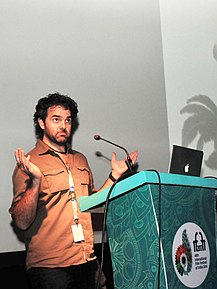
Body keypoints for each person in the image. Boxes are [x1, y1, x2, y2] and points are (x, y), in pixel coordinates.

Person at [9, 92, 138, 289]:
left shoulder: (81, 159)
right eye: (56, 119)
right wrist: (35, 181)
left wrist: (114, 176)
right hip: (51, 269)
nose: (64, 126)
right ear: (41, 123)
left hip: (88, 261)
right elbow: (21, 221)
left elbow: (92, 201)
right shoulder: (29, 163)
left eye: (68, 120)